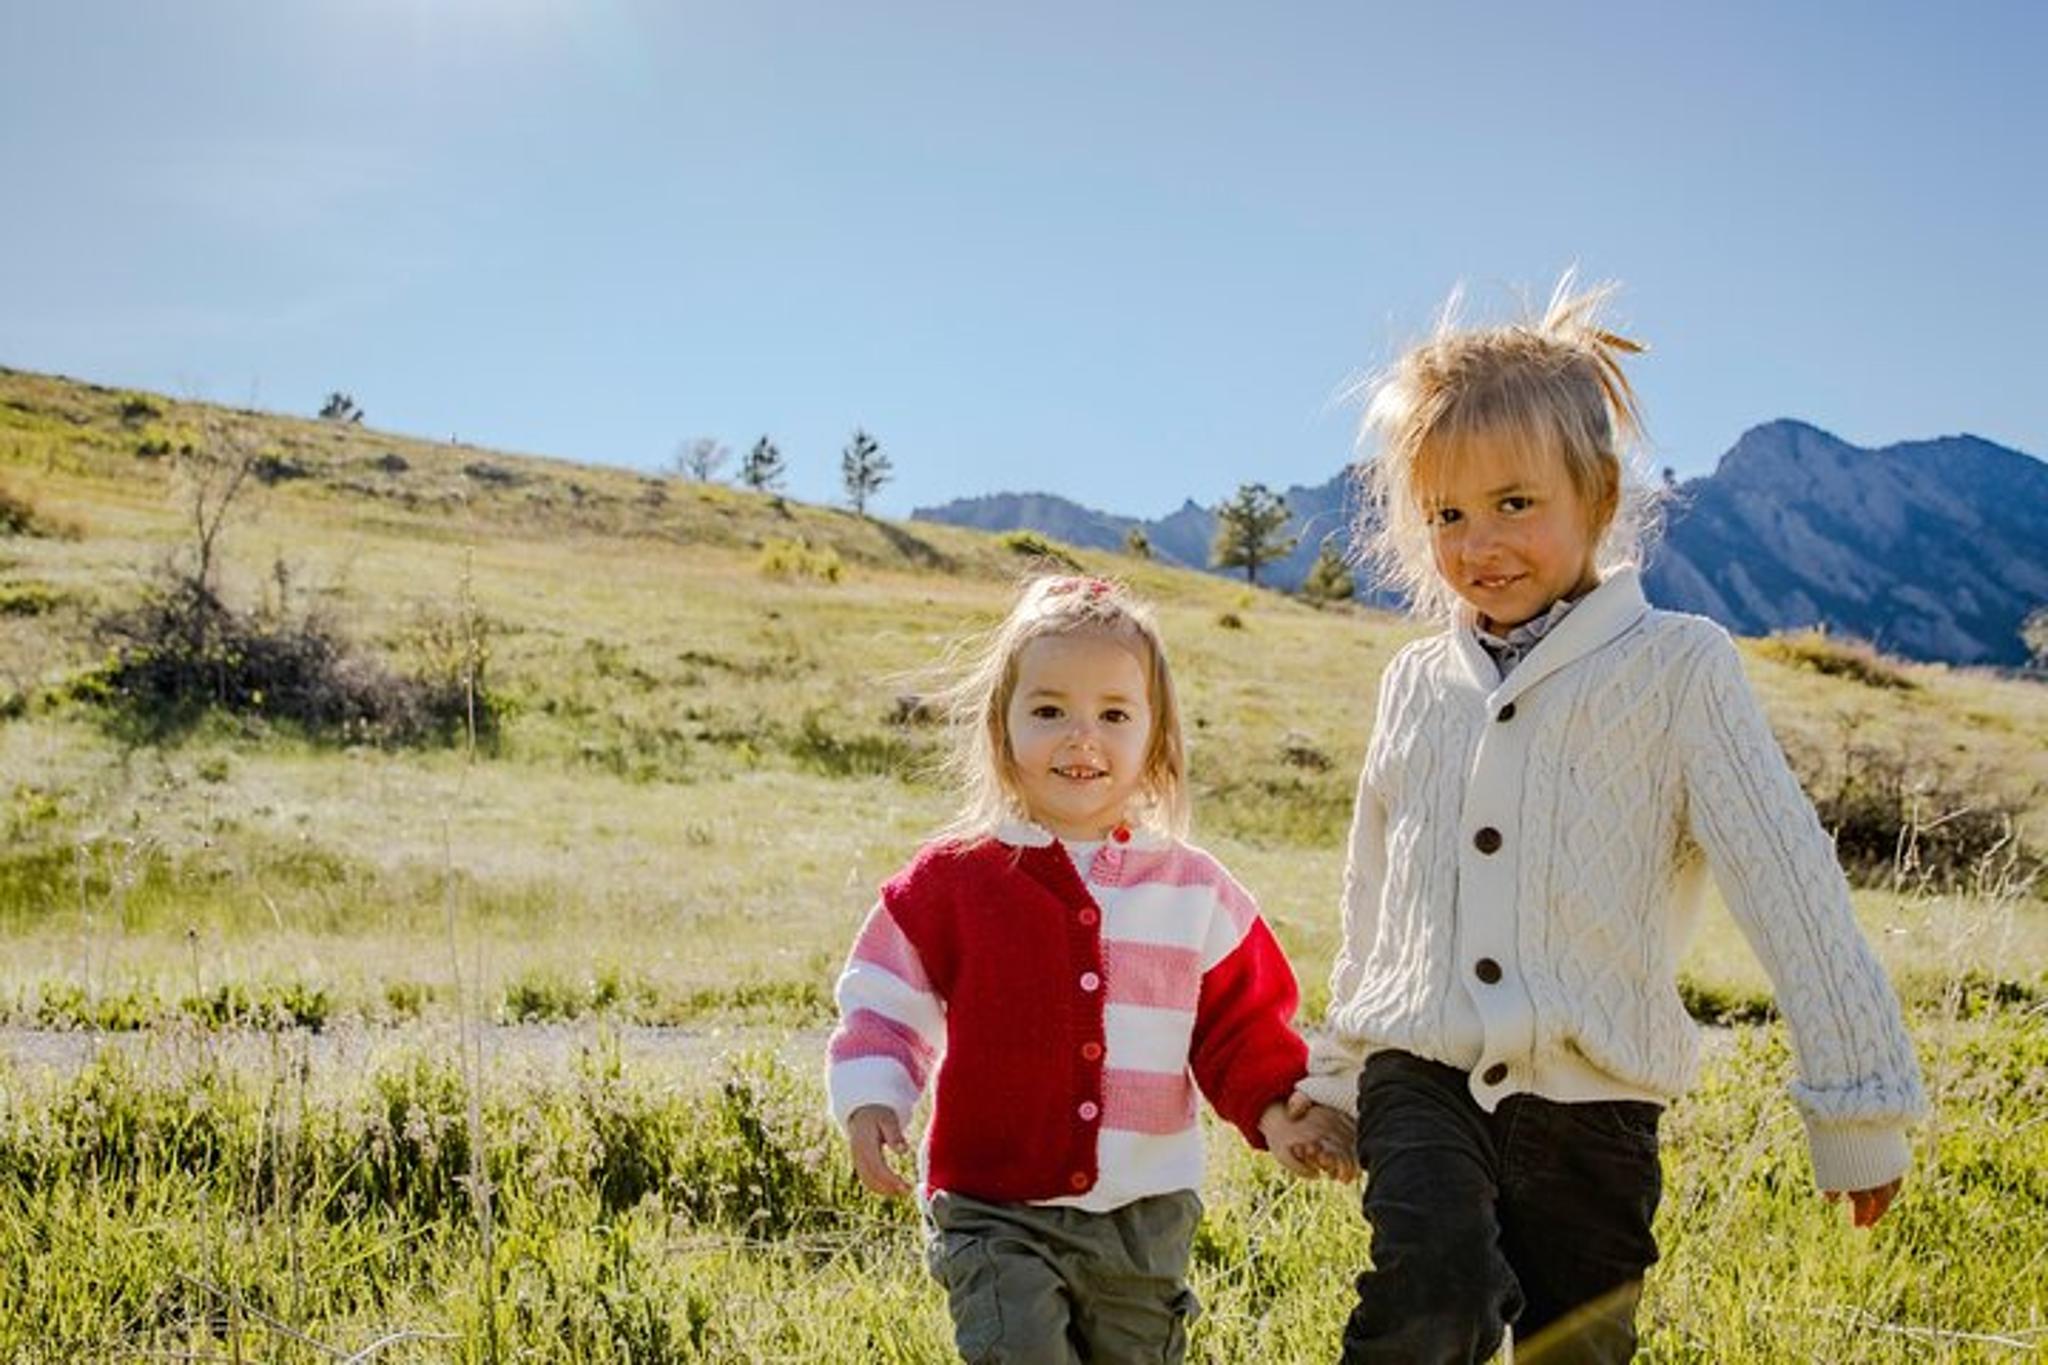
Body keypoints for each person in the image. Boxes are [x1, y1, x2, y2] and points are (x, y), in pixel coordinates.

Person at [1290, 274, 1927, 1364]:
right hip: (1423, 1076)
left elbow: (1787, 885)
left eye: (1512, 503)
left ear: (1595, 495)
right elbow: (1375, 890)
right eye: (1444, 513)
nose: (1476, 542)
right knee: (1426, 1298)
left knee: (1576, 1345)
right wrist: (1340, 1072)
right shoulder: (1412, 683)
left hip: (1598, 1110)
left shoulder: (1677, 669)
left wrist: (1856, 1105)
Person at [827, 574, 1354, 1364]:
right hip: (993, 1204)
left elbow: (1242, 1026)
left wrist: (1281, 1111)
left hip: (1144, 1213)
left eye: (1113, 714)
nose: (1082, 738)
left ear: (1155, 737)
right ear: (1002, 732)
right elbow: (884, 999)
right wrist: (873, 1096)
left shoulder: (1194, 890)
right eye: (1049, 711)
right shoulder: (955, 880)